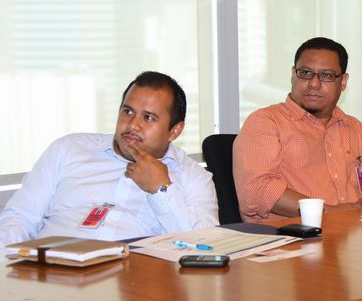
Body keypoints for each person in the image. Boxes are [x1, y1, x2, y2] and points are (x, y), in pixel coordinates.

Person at [0, 71, 219, 248]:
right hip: (49, 273)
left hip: (132, 282)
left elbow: (204, 248)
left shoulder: (194, 178)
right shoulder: (68, 149)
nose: (133, 125)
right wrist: (8, 271)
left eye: (148, 117)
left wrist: (161, 190)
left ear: (175, 130)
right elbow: (19, 218)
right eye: (128, 111)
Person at [233, 37, 362, 222]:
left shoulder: (357, 130)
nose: (314, 84)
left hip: (356, 230)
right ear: (293, 75)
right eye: (305, 73)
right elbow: (257, 190)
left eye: (326, 75)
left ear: (343, 81)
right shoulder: (266, 122)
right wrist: (331, 212)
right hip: (291, 235)